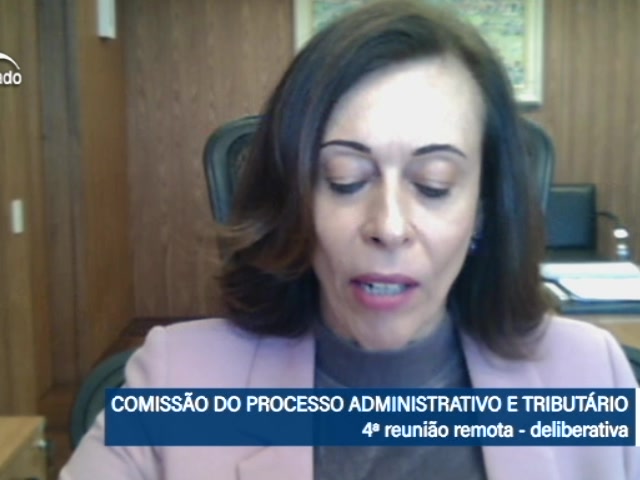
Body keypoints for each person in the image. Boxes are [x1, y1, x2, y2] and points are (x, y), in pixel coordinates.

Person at [60, 1, 639, 479]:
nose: (388, 225)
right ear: (294, 198)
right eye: (345, 180)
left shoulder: (588, 375)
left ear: (482, 210)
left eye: (434, 185)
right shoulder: (177, 380)